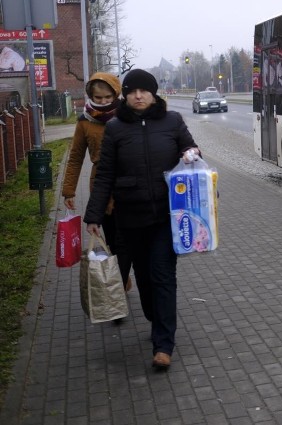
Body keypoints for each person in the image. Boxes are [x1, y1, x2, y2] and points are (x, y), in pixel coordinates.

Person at [84, 69, 201, 370]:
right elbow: (105, 174)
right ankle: (153, 314)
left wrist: (190, 153)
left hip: (166, 216)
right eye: (132, 91)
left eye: (144, 90)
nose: (138, 96)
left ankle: (164, 344)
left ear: (153, 93)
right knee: (145, 280)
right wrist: (94, 214)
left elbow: (191, 147)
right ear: (125, 94)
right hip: (130, 217)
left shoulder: (172, 121)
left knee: (163, 275)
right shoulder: (115, 128)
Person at [61, 72, 132, 301]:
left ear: (116, 94)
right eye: (98, 97)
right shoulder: (84, 121)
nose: (103, 102)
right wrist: (68, 190)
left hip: (128, 183)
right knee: (111, 238)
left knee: (125, 239)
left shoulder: (127, 115)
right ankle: (122, 276)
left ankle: (118, 285)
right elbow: (75, 157)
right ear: (91, 95)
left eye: (107, 96)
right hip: (101, 185)